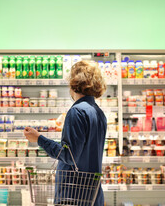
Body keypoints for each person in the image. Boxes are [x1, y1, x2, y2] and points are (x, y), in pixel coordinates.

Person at [24, 60, 107, 206]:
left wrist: (39, 139)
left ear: (73, 84)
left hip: (73, 194)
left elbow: (69, 156)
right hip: (92, 195)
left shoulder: (77, 111)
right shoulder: (99, 113)